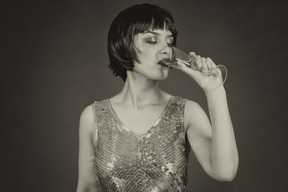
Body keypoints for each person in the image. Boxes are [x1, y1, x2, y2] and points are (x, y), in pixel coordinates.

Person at [76, 3, 238, 192]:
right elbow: (87, 187)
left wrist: (214, 90)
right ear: (123, 45)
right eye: (152, 40)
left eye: (169, 42)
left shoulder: (187, 112)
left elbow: (225, 171)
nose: (166, 50)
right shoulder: (93, 116)